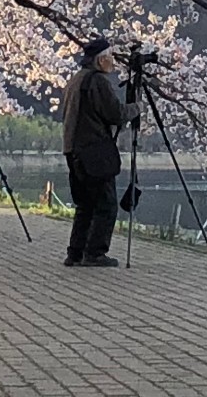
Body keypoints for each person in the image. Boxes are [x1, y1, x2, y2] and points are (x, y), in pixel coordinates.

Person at [60, 37, 135, 268]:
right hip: (93, 151)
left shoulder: (75, 80)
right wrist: (136, 107)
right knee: (105, 203)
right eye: (110, 57)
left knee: (85, 204)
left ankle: (75, 252)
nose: (112, 62)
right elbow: (114, 113)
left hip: (73, 149)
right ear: (101, 60)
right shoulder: (97, 82)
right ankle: (94, 253)